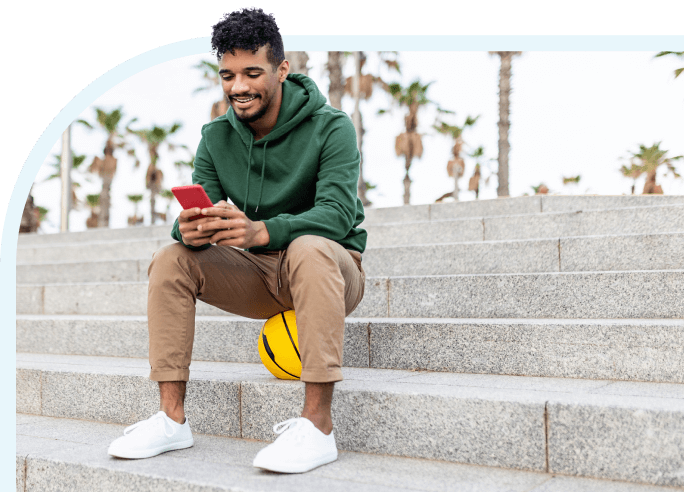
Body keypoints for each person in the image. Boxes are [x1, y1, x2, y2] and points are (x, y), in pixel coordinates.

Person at [107, 7, 367, 474]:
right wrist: (189, 228)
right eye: (228, 75)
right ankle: (171, 420)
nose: (238, 87)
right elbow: (193, 214)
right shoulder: (215, 137)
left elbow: (337, 214)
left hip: (330, 267)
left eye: (252, 73)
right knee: (171, 258)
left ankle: (318, 427)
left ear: (282, 69)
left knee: (308, 247)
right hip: (257, 273)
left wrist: (262, 230)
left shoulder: (332, 127)